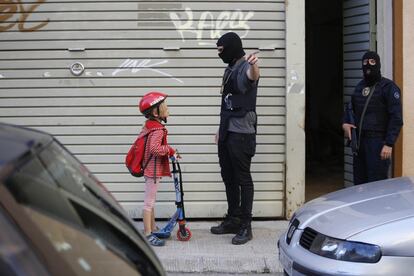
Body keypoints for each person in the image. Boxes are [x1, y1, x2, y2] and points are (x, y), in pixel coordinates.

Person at [210, 32, 260, 245]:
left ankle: (245, 226)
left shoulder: (244, 67)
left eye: (221, 50)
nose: (219, 54)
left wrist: (254, 65)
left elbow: (253, 76)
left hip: (242, 134)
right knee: (228, 177)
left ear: (231, 48)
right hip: (227, 131)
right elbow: (226, 103)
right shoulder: (228, 68)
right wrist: (220, 129)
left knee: (242, 178)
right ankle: (233, 218)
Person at [342, 51, 403, 185]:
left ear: (378, 64)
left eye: (372, 62)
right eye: (365, 63)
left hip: (378, 143)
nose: (368, 65)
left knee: (376, 186)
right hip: (360, 144)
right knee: (359, 184)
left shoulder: (388, 87)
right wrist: (345, 123)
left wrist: (389, 143)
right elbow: (350, 108)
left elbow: (396, 118)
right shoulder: (359, 87)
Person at [138, 91, 178, 246]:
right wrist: (169, 150)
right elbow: (155, 149)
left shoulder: (150, 126)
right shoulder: (157, 130)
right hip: (152, 171)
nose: (167, 109)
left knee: (151, 201)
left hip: (150, 170)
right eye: (164, 107)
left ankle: (153, 227)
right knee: (149, 203)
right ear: (156, 112)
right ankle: (148, 234)